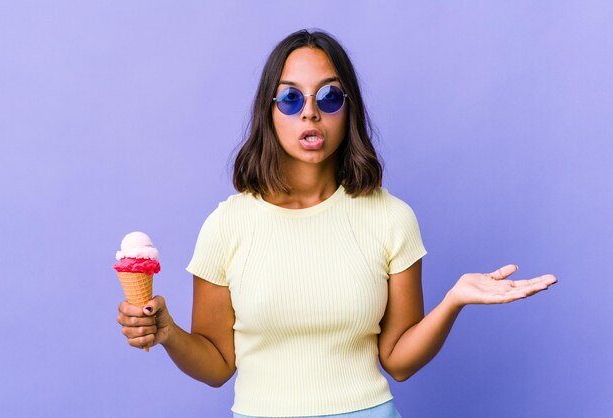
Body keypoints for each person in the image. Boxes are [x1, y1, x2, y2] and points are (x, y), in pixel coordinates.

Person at [116, 29, 557, 418]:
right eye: (290, 98)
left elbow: (399, 362)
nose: (310, 112)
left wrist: (453, 300)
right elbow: (216, 366)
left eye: (328, 97)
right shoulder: (227, 225)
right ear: (269, 112)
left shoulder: (390, 217)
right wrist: (169, 333)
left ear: (348, 110)